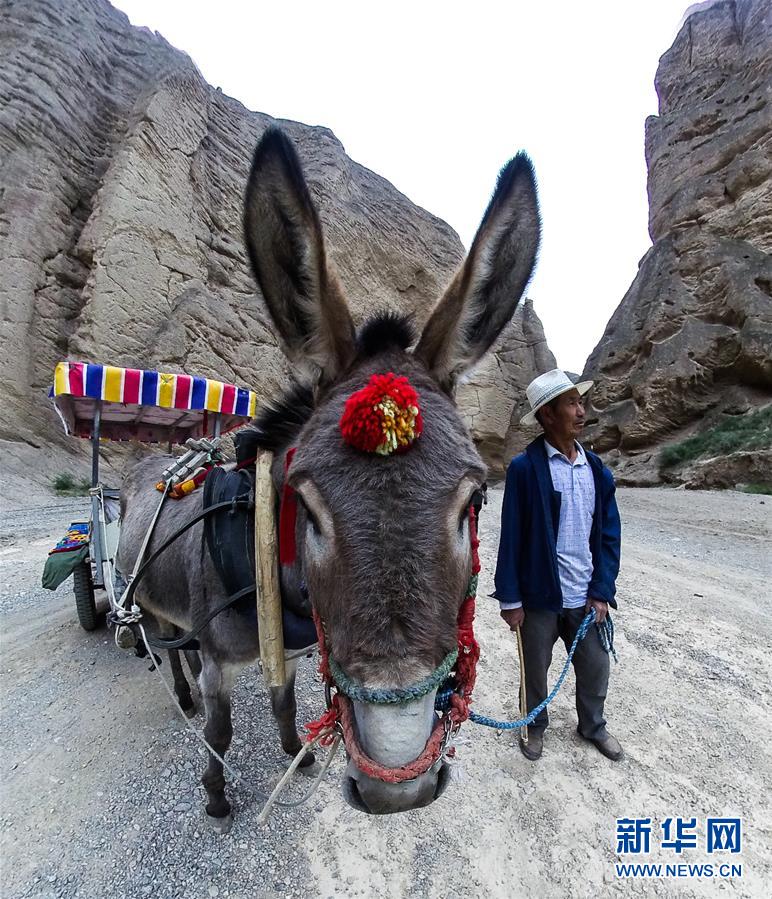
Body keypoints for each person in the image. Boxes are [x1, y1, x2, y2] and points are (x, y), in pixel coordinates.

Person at [493, 369, 622, 761]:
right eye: (571, 404)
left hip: (585, 595)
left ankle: (592, 726)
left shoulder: (596, 469)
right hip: (539, 598)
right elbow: (511, 536)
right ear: (547, 415)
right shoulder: (524, 469)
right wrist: (510, 599)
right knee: (535, 669)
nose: (581, 412)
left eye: (581, 403)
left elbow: (609, 536)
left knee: (596, 666)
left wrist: (602, 590)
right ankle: (534, 726)